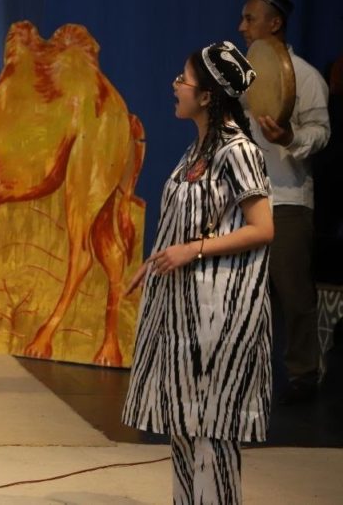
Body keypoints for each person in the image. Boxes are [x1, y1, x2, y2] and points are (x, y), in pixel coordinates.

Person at [122, 41, 274, 504]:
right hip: (186, 310)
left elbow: (262, 228)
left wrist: (193, 250)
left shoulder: (238, 150)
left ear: (207, 95)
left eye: (183, 80)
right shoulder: (198, 150)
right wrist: (156, 260)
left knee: (213, 425)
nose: (175, 86)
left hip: (223, 309)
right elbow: (186, 220)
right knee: (186, 421)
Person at [239, 0, 331, 404]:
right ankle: (242, 368)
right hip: (247, 197)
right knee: (243, 291)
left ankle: (303, 373)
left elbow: (321, 133)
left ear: (274, 23)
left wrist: (289, 137)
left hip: (288, 199)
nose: (242, 27)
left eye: (250, 18)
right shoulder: (244, 76)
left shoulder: (305, 76)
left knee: (293, 292)